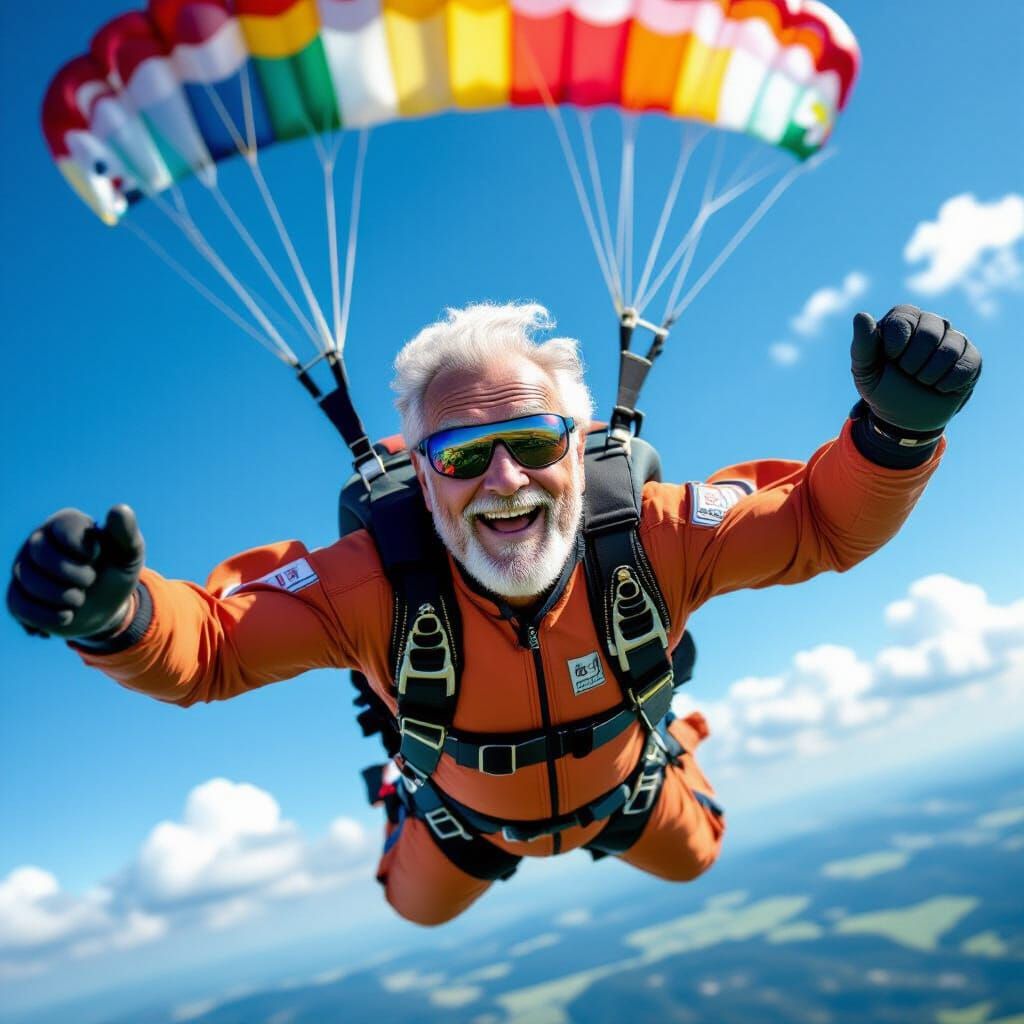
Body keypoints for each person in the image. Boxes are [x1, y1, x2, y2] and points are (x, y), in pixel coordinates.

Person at [7, 301, 981, 926]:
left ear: (581, 447)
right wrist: (120, 617)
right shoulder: (372, 583)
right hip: (461, 817)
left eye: (533, 443)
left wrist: (895, 435)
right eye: (465, 456)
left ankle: (675, 740)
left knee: (697, 860)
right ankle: (402, 804)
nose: (506, 480)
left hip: (629, 786)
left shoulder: (651, 536)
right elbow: (214, 646)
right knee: (417, 909)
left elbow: (815, 523)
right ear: (421, 476)